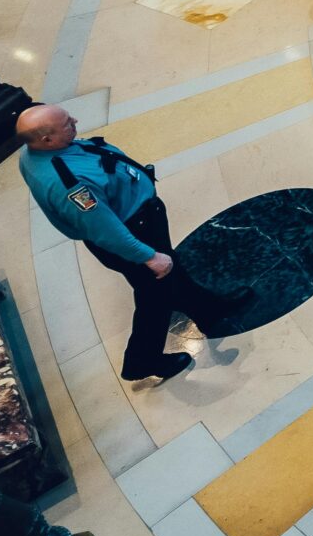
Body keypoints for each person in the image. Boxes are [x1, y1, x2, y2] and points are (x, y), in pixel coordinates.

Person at [16, 103, 239, 383]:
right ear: (47, 140)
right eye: (67, 125)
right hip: (134, 234)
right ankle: (142, 360)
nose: (75, 120)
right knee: (154, 297)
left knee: (171, 274)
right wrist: (148, 256)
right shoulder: (70, 185)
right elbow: (105, 229)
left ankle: (209, 310)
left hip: (139, 223)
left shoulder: (33, 152)